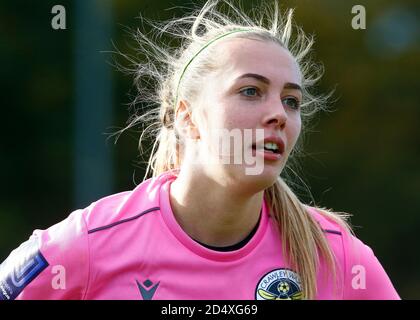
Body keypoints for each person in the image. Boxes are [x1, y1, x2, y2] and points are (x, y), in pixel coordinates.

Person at [0, 0, 399, 300]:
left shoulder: (337, 256)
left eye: (291, 100)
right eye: (251, 91)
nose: (278, 113)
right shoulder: (87, 243)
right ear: (188, 118)